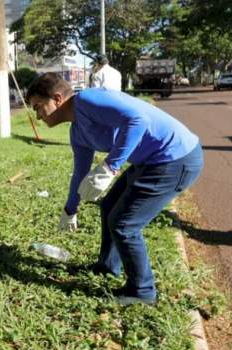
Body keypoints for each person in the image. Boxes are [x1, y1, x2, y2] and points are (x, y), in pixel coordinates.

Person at [26, 73, 203, 305]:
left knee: (124, 224)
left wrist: (111, 166)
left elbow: (137, 120)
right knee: (109, 206)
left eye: (38, 107)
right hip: (150, 162)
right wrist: (70, 208)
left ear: (58, 99)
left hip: (176, 158)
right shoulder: (77, 132)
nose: (38, 116)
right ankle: (108, 267)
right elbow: (81, 171)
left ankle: (142, 292)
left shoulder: (88, 100)